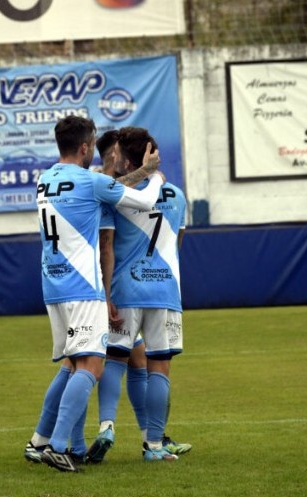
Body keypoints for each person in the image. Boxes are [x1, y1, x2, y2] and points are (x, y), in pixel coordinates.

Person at [27, 115, 163, 472]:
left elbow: (107, 186)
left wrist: (128, 175)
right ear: (86, 147)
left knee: (72, 365)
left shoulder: (45, 179)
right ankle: (56, 446)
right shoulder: (89, 181)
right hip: (82, 287)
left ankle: (50, 442)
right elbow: (144, 199)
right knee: (92, 365)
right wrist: (154, 173)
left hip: (52, 284)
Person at [95, 126, 190, 462]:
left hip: (126, 290)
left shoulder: (117, 198)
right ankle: (153, 447)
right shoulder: (177, 195)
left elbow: (106, 246)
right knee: (159, 368)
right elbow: (177, 244)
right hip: (165, 290)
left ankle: (106, 425)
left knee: (115, 360)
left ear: (126, 157)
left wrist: (105, 294)